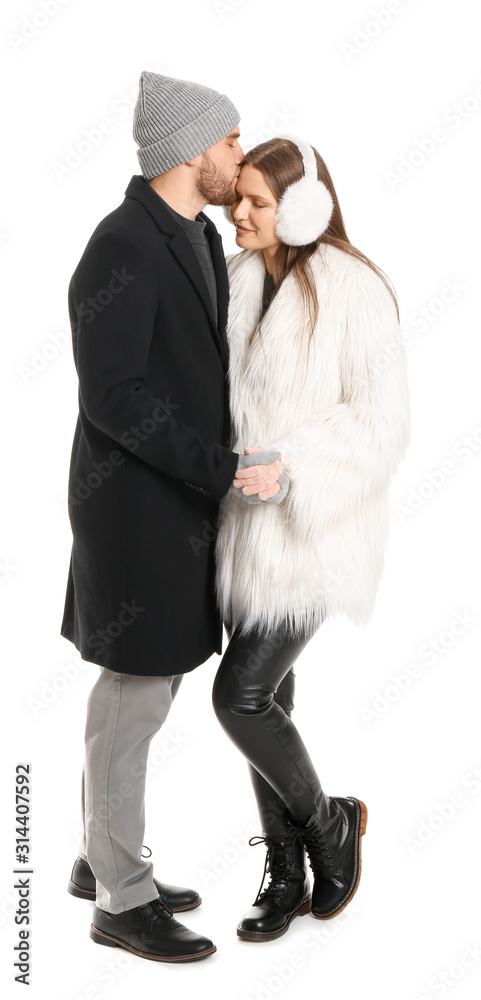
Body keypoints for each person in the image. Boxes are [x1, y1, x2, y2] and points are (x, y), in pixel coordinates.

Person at [60, 71, 287, 964]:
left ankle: (96, 855)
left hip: (174, 510)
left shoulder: (187, 233)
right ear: (194, 149)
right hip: (135, 515)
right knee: (134, 697)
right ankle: (121, 898)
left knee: (147, 686)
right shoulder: (120, 247)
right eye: (231, 139)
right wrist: (223, 471)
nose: (240, 152)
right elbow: (115, 399)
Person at [212, 133, 412, 941]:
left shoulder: (351, 288)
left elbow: (381, 420)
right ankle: (285, 869)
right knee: (274, 702)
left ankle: (330, 823)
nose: (239, 212)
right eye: (240, 198)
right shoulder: (233, 283)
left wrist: (292, 465)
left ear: (303, 207)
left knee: (241, 697)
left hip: (314, 535)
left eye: (259, 202)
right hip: (243, 533)